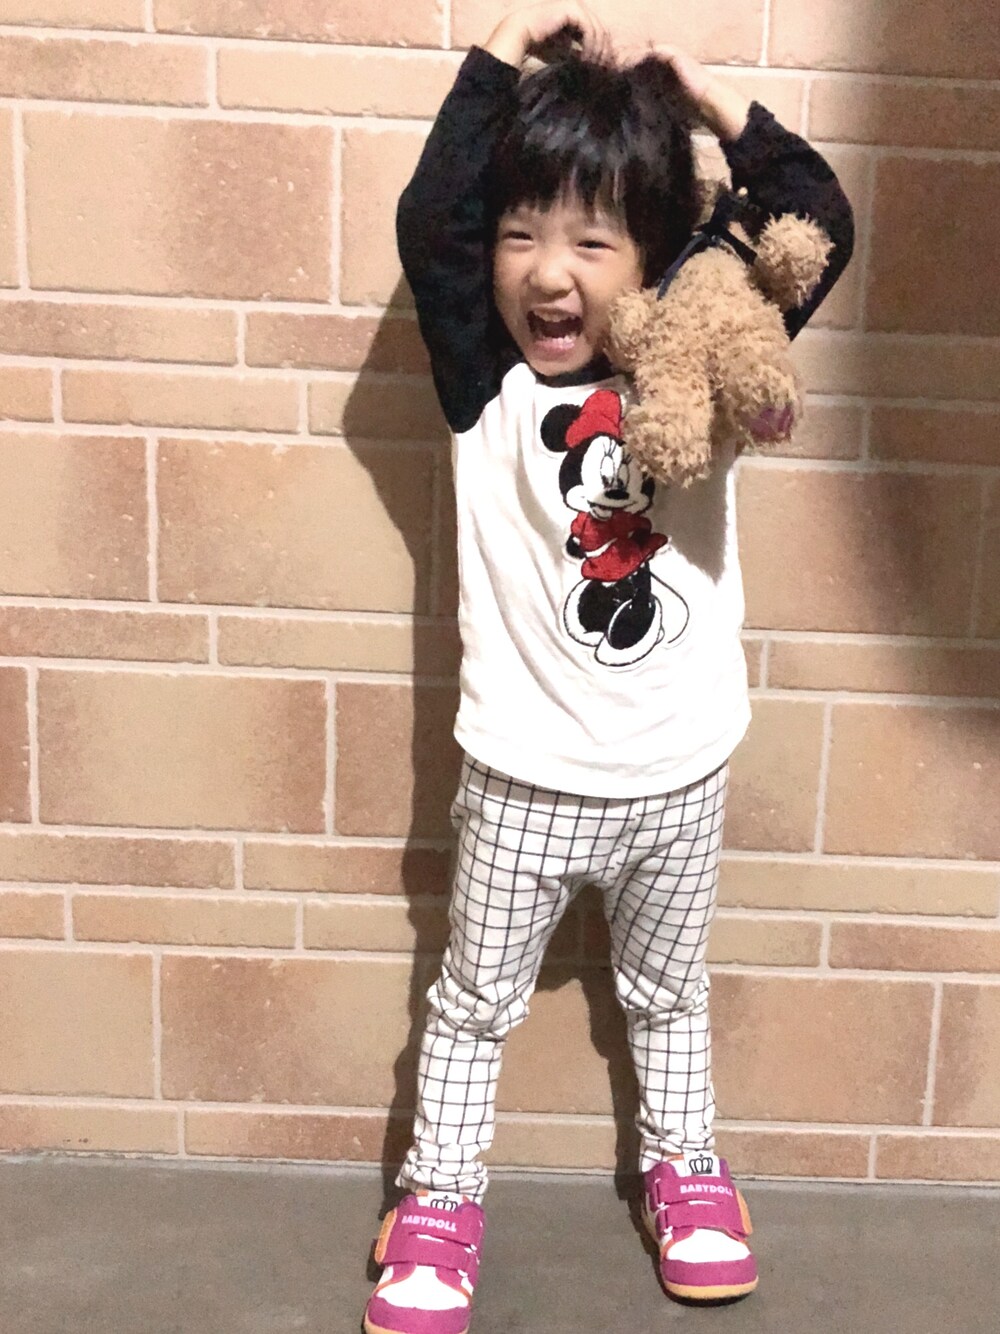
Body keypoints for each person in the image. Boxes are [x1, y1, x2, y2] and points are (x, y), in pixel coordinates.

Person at [364, 5, 853, 1332]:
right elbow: (431, 218)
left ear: (657, 253)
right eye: (521, 234)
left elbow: (816, 220)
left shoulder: (703, 339)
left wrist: (709, 103)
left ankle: (686, 1170)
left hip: (679, 771)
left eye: (590, 240)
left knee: (668, 995)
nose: (548, 273)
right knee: (473, 1004)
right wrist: (499, 62)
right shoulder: (480, 374)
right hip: (521, 773)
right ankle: (440, 1196)